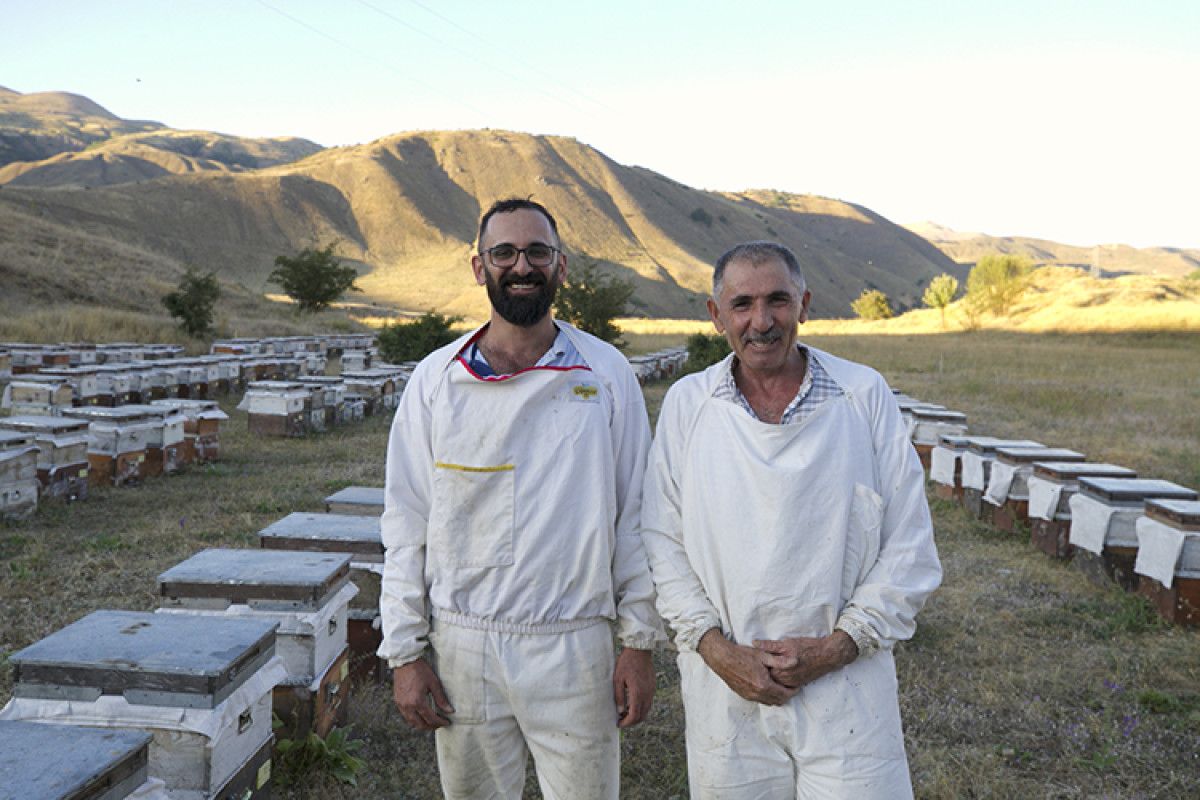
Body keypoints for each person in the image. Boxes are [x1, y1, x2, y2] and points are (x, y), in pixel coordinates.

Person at [378, 197, 664, 799]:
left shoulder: (605, 372)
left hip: (575, 643)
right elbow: (407, 521)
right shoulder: (437, 379)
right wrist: (405, 651)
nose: (521, 266)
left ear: (561, 266)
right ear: (479, 267)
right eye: (503, 253)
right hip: (463, 646)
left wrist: (639, 641)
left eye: (537, 252)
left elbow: (637, 513)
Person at [640, 241, 942, 799]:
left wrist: (838, 646)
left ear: (803, 304)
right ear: (716, 315)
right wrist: (716, 649)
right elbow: (662, 541)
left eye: (777, 300)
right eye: (742, 304)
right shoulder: (688, 405)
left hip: (848, 689)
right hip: (725, 691)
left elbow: (909, 545)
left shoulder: (862, 395)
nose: (762, 322)